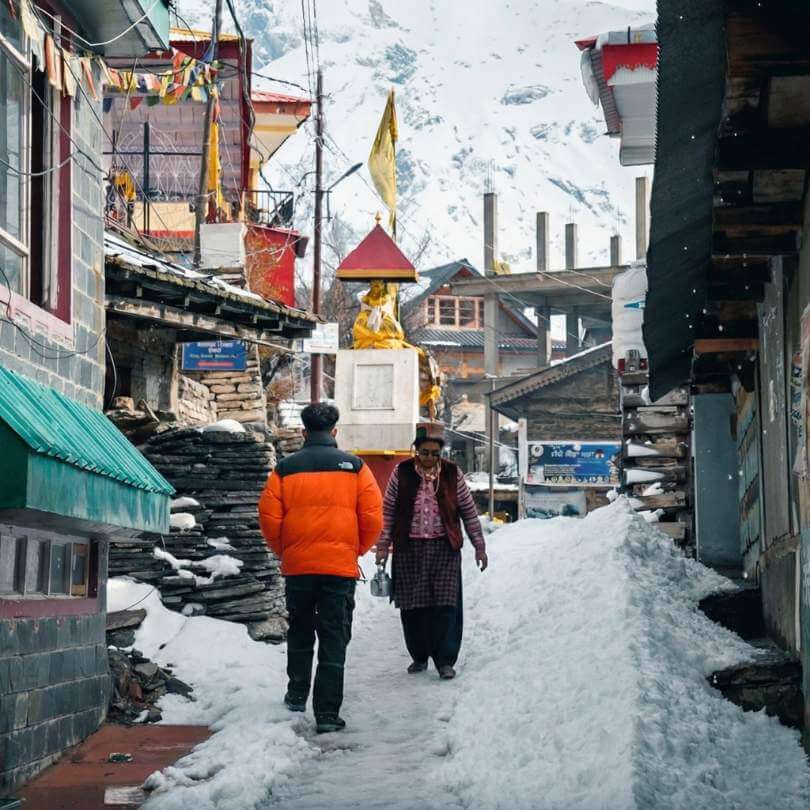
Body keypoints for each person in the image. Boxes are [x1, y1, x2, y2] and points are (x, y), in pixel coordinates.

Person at [259, 403, 383, 733]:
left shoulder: (285, 469)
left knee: (300, 630)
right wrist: (352, 550)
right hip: (338, 570)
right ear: (335, 432)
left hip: (298, 568)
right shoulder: (355, 467)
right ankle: (327, 713)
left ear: (303, 432)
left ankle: (297, 694)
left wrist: (286, 551)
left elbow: (269, 520)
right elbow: (373, 518)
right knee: (333, 636)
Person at [375, 422, 488, 680]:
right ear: (416, 450)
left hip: (444, 548)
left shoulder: (452, 474)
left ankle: (445, 659)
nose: (429, 458)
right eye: (424, 452)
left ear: (441, 453)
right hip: (409, 548)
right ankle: (419, 655)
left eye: (435, 454)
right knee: (413, 606)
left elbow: (468, 512)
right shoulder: (401, 473)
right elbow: (389, 511)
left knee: (445, 605)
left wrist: (479, 546)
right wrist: (383, 546)